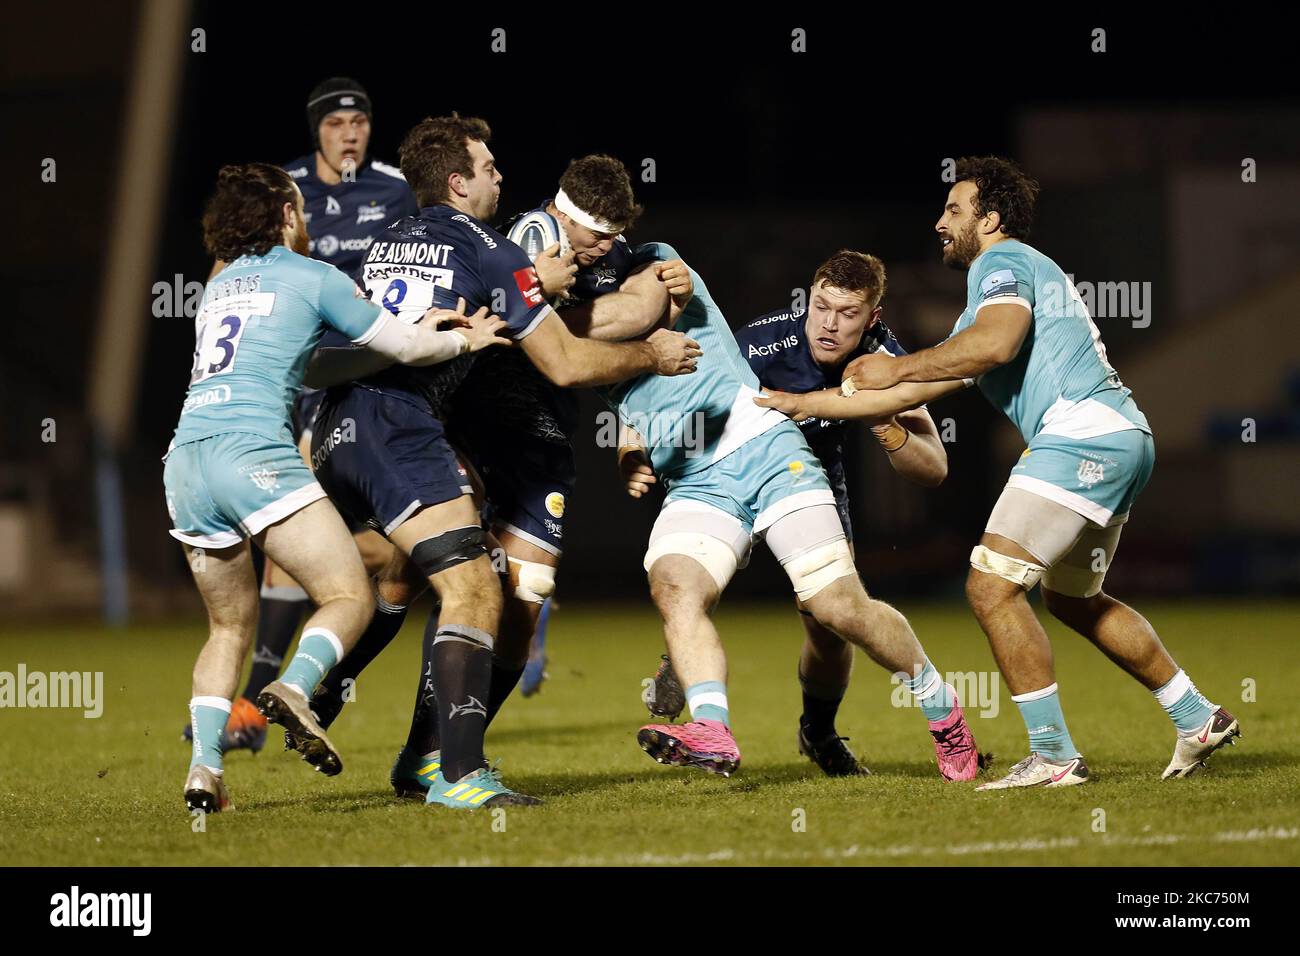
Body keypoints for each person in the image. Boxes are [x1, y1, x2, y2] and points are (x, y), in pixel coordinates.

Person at [758, 156, 1240, 788]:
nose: (939, 222)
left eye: (954, 210)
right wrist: (803, 403)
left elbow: (995, 347)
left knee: (991, 587)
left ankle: (1053, 755)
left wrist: (896, 368)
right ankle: (1196, 715)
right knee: (1073, 599)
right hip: (1121, 437)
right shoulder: (984, 303)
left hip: (1079, 438)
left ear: (988, 219)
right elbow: (925, 380)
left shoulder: (1002, 264)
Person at [304, 116, 701, 808]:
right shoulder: (513, 243)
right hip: (472, 423)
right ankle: (354, 706)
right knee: (429, 572)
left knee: (522, 602)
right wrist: (636, 336)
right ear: (559, 214)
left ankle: (427, 753)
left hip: (542, 449)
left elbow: (641, 307)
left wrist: (655, 297)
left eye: (615, 232)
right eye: (594, 228)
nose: (604, 242)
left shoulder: (619, 258)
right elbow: (578, 348)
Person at [166, 162, 506, 812]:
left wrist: (404, 346)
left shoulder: (218, 289)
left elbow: (318, 364)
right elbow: (404, 345)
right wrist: (466, 339)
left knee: (227, 627)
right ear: (287, 216)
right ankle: (295, 688)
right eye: (301, 207)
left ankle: (204, 772)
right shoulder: (313, 275)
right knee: (349, 593)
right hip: (253, 455)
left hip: (186, 461)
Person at [613, 244, 982, 781]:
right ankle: (692, 671)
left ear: (872, 317)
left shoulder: (885, 360)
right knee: (681, 585)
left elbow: (932, 469)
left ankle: (832, 730)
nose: (829, 325)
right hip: (726, 471)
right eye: (821, 307)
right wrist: (630, 450)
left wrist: (883, 420)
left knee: (835, 617)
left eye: (848, 313)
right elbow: (668, 384)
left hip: (807, 476)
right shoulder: (766, 343)